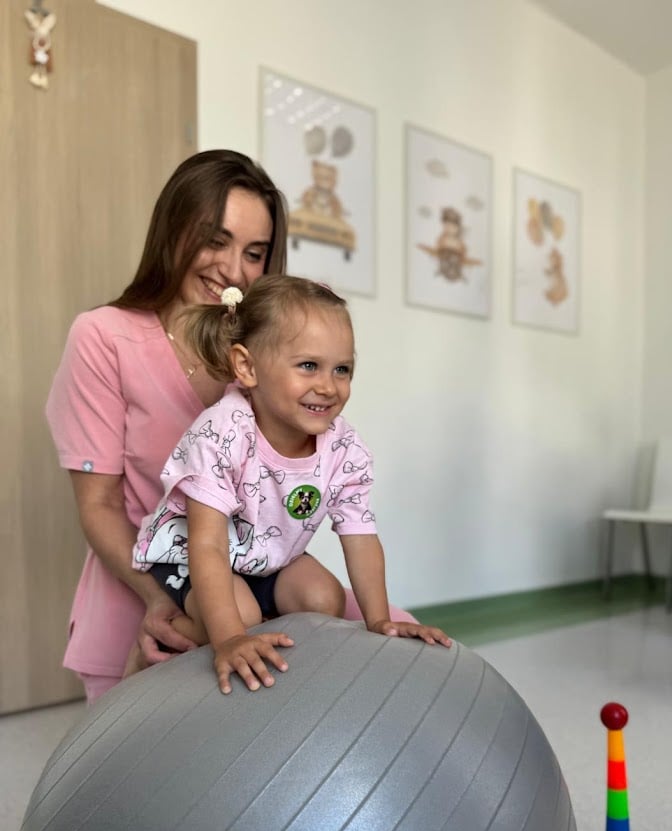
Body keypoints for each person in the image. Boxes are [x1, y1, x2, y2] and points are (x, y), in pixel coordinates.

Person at [45, 150, 418, 704]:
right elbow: (98, 504)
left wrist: (379, 616)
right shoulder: (104, 337)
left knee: (399, 649)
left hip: (262, 574)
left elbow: (348, 521)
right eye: (214, 241)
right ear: (172, 231)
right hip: (154, 580)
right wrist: (161, 602)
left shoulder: (275, 351)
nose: (233, 270)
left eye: (254, 253)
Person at [131, 276, 451, 694]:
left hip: (266, 555)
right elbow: (207, 544)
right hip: (191, 554)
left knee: (323, 598)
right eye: (308, 366)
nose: (328, 386)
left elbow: (360, 535)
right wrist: (229, 638)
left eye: (342, 369)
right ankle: (170, 637)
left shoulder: (343, 446)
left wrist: (379, 621)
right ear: (247, 367)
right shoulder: (222, 433)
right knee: (240, 616)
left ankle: (262, 636)